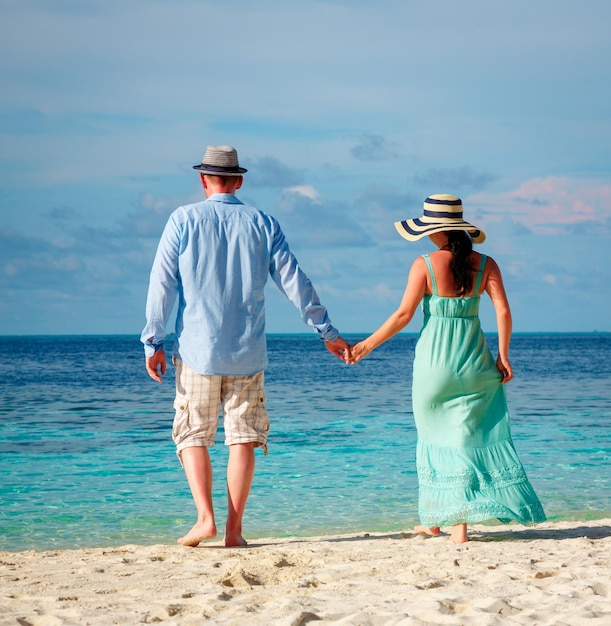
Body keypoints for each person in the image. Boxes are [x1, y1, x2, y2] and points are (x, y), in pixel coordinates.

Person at [141, 145, 351, 547]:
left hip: (198, 351)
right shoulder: (262, 222)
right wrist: (326, 331)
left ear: (203, 180)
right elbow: (295, 282)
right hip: (247, 352)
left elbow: (161, 285)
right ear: (238, 180)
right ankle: (234, 531)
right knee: (243, 438)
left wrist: (154, 341)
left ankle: (205, 519)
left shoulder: (182, 219)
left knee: (192, 436)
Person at [351, 194, 545, 543]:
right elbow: (502, 312)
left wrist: (365, 346)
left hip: (434, 366)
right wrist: (503, 356)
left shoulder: (424, 264)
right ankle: (451, 524)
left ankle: (444, 523)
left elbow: (403, 316)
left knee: (434, 439)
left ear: (434, 230)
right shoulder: (486, 264)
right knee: (467, 438)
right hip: (475, 363)